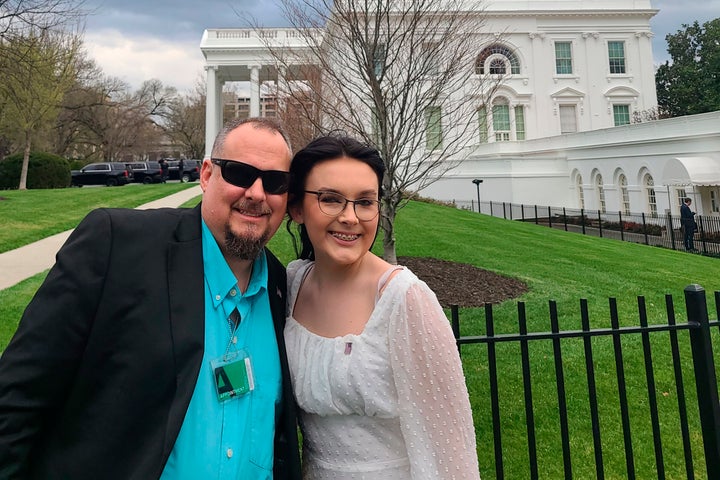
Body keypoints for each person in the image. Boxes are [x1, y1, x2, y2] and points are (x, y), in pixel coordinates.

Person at [0, 117, 302, 480]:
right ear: (206, 175)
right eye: (238, 173)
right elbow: (17, 404)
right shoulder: (117, 247)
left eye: (275, 182)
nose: (256, 193)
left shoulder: (282, 289)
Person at [283, 135, 481, 479]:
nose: (350, 217)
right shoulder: (292, 284)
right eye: (330, 199)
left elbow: (450, 448)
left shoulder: (405, 299)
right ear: (297, 208)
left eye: (365, 202)